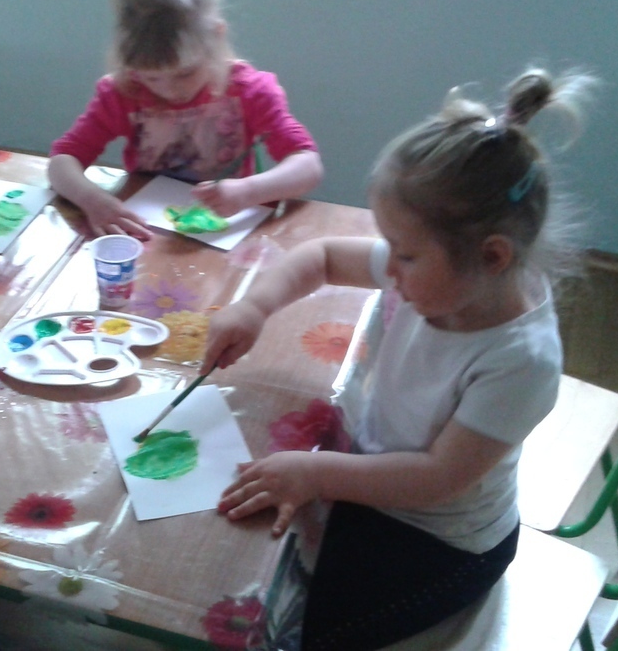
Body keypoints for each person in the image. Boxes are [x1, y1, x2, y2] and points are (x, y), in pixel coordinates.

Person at [203, 68, 596, 651]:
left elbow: (435, 480)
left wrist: (315, 473)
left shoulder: (521, 362)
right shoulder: (444, 275)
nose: (389, 268)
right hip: (378, 478)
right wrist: (254, 307)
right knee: (241, 552)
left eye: (406, 255)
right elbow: (323, 256)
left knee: (289, 627)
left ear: (491, 257)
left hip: (442, 542)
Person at [48, 0, 323, 239]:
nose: (169, 90)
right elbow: (63, 159)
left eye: (185, 74)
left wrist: (249, 190)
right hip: (152, 232)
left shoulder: (249, 92)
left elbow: (308, 166)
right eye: (151, 77)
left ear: (216, 36)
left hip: (225, 234)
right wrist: (92, 200)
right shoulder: (124, 92)